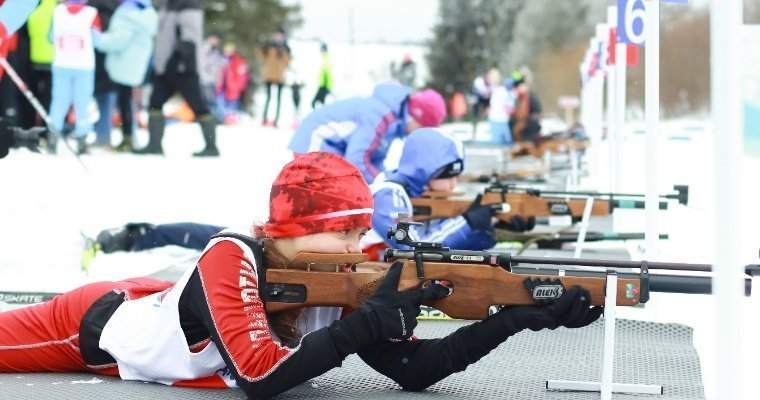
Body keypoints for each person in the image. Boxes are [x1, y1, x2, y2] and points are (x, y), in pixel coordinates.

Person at [0, 151, 602, 399]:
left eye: (356, 232)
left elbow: (415, 372)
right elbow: (260, 377)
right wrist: (364, 325)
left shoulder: (336, 277)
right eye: (341, 232)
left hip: (168, 307)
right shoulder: (232, 255)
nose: (354, 246)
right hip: (88, 325)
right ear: (291, 227)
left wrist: (514, 318)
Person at [361, 127, 498, 260]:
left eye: (457, 177)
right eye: (448, 176)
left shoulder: (425, 194)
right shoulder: (387, 196)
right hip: (367, 276)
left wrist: (487, 229)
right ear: (426, 170)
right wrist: (467, 222)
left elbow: (452, 252)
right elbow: (414, 249)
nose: (453, 184)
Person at [288, 82, 447, 184]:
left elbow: (374, 160)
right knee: (336, 193)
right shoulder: (380, 114)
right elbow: (358, 159)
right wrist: (384, 185)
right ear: (416, 117)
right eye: (422, 129)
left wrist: (392, 182)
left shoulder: (393, 121)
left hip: (332, 146)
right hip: (315, 140)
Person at [136, 0, 219, 157]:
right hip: (164, 69)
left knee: (199, 106)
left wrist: (175, 60)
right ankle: (154, 144)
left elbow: (190, 37)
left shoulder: (188, 5)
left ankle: (211, 146)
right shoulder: (166, 4)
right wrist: (161, 64)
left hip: (184, 69)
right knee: (155, 103)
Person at [94, 0, 157, 152]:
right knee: (127, 100)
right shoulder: (146, 14)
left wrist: (98, 39)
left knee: (124, 101)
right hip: (133, 63)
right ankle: (129, 136)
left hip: (123, 62)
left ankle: (128, 138)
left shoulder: (129, 14)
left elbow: (118, 40)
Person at [48, 0, 102, 155]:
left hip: (61, 62)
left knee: (59, 100)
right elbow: (97, 40)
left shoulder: (57, 11)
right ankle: (82, 139)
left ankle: (53, 136)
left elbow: (51, 36)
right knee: (82, 102)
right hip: (84, 65)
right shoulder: (91, 13)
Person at [257, 27, 290, 127]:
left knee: (278, 100)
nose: (278, 37)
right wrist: (260, 48)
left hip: (280, 77)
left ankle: (276, 120)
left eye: (280, 35)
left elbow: (287, 63)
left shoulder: (286, 49)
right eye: (277, 35)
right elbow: (261, 57)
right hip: (269, 76)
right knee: (268, 98)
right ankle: (264, 118)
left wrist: (283, 53)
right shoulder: (269, 46)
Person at [215, 42, 249, 125]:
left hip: (233, 89)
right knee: (220, 103)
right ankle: (224, 118)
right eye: (226, 49)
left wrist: (237, 87)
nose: (227, 51)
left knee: (232, 105)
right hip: (221, 87)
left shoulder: (238, 61)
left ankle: (232, 120)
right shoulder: (221, 60)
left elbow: (242, 76)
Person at [486, 68, 514, 146]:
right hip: (499, 120)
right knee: (506, 144)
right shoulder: (500, 90)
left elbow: (509, 107)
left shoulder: (500, 91)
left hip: (498, 120)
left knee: (499, 145)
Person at [310, 42, 332, 109]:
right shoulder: (324, 59)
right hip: (322, 86)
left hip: (324, 87)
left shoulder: (326, 60)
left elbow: (329, 75)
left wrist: (328, 87)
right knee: (321, 103)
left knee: (314, 103)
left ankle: (320, 118)